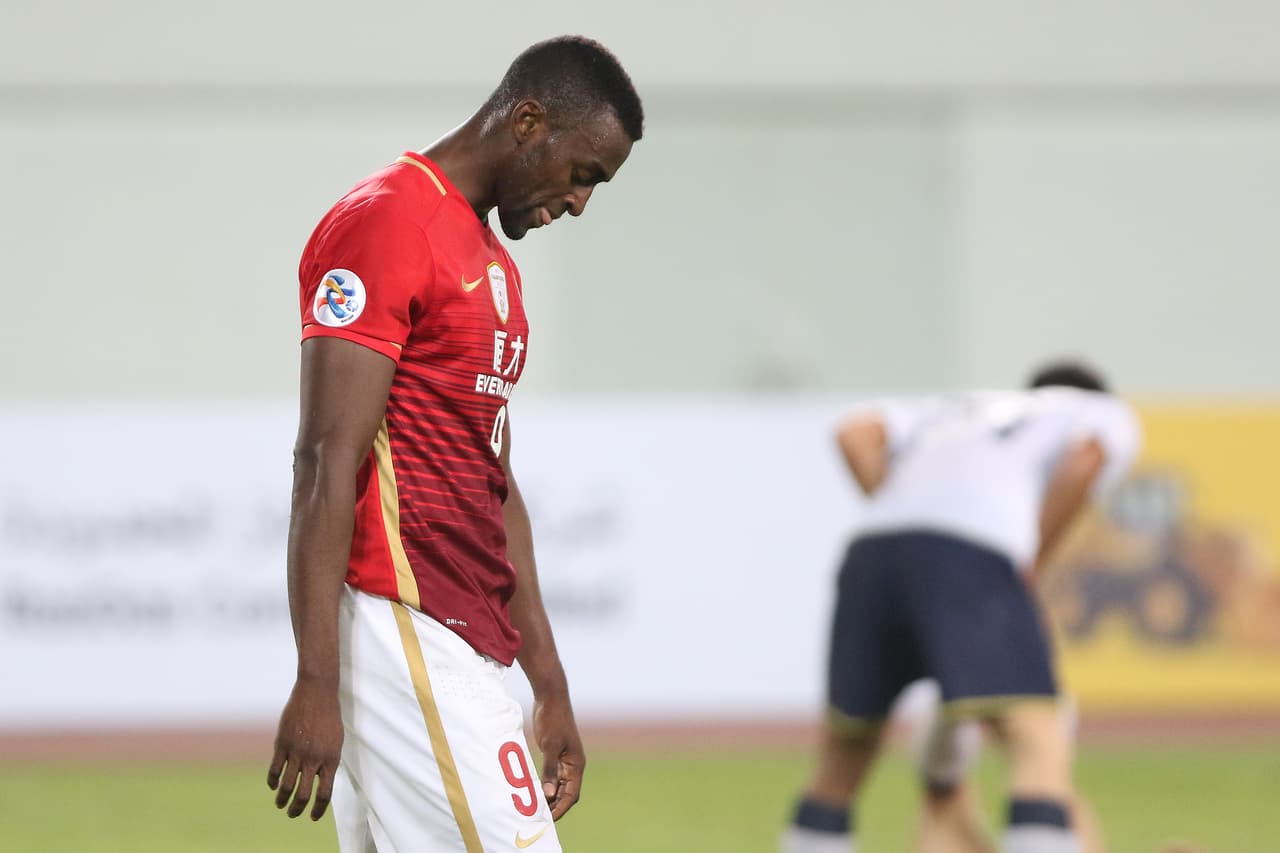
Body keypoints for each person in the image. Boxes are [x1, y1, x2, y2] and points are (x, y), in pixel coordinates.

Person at [265, 36, 643, 852]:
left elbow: (494, 484)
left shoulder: (493, 267)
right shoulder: (388, 222)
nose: (579, 203)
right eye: (583, 174)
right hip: (404, 626)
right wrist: (315, 679)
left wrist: (549, 684)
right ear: (529, 120)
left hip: (465, 642)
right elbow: (323, 462)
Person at [782, 361, 1141, 853]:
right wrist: (1033, 557)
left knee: (842, 760)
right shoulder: (1101, 413)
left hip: (871, 552)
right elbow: (1084, 463)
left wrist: (903, 507)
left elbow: (852, 434)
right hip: (970, 555)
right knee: (1036, 739)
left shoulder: (952, 409)